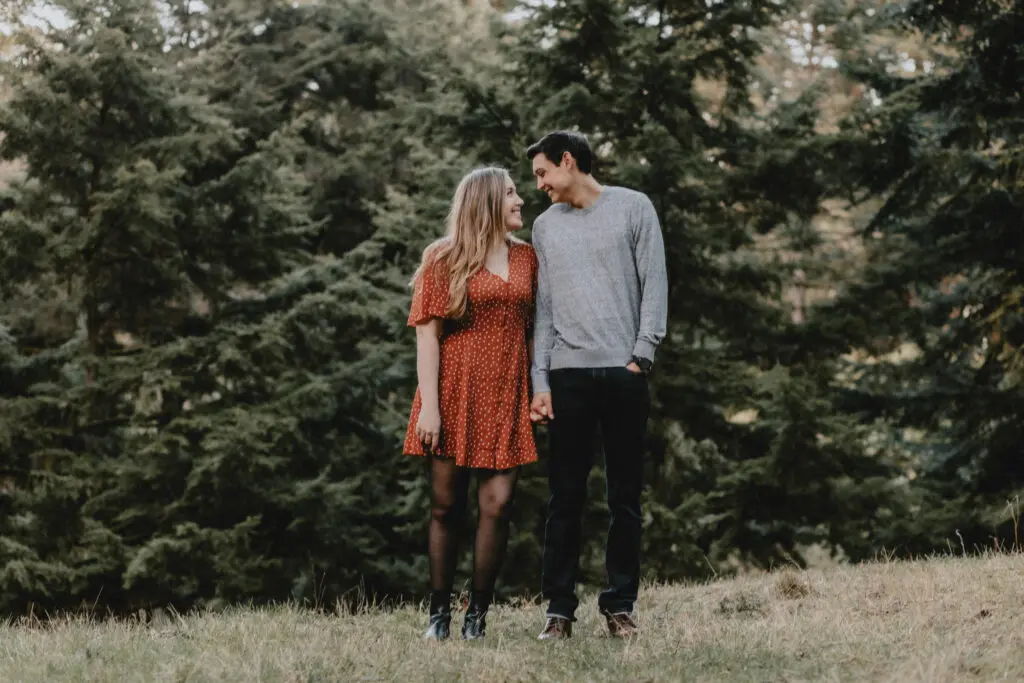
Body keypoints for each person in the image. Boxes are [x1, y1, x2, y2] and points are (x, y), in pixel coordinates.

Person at [527, 131, 668, 640]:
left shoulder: (634, 207)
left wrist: (642, 355)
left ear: (567, 161)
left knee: (624, 497)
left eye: (543, 172)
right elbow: (544, 308)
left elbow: (654, 282)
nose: (539, 184)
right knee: (564, 497)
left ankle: (619, 606)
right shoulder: (545, 227)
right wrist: (540, 379)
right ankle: (559, 611)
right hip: (567, 377)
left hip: (623, 374)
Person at [403, 166, 539, 641]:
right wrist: (430, 408)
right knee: (446, 507)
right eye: (511, 193)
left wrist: (540, 388)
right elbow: (427, 337)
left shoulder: (527, 257)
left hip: (507, 393)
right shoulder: (443, 257)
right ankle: (438, 614)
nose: (520, 200)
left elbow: (535, 329)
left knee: (498, 506)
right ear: (486, 202)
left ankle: (476, 616)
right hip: (453, 393)